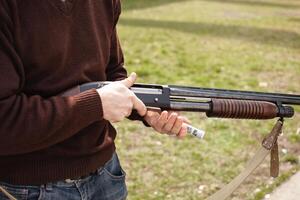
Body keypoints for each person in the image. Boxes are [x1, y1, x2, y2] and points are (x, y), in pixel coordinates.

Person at [0, 0, 188, 199]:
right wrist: (96, 104)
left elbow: (112, 72)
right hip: (27, 189)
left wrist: (147, 110)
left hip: (106, 175)